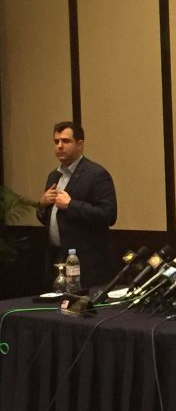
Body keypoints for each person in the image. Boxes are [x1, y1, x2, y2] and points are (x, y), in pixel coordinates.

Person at [36, 121, 117, 289]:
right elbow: (48, 218)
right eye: (56, 141)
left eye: (65, 141)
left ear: (80, 144)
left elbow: (108, 215)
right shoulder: (54, 176)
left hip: (86, 263)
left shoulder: (96, 174)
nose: (59, 146)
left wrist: (71, 205)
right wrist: (42, 204)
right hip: (56, 258)